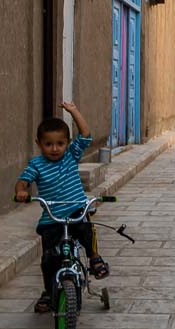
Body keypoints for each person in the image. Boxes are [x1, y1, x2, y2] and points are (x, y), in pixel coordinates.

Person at [14, 101, 109, 314]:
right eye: (48, 144)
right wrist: (21, 191)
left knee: (86, 229)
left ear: (67, 143)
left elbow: (85, 135)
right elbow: (23, 181)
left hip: (75, 210)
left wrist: (74, 111)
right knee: (48, 259)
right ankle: (48, 291)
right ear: (39, 143)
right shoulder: (36, 165)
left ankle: (94, 257)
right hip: (52, 219)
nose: (55, 149)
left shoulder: (71, 156)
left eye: (60, 143)